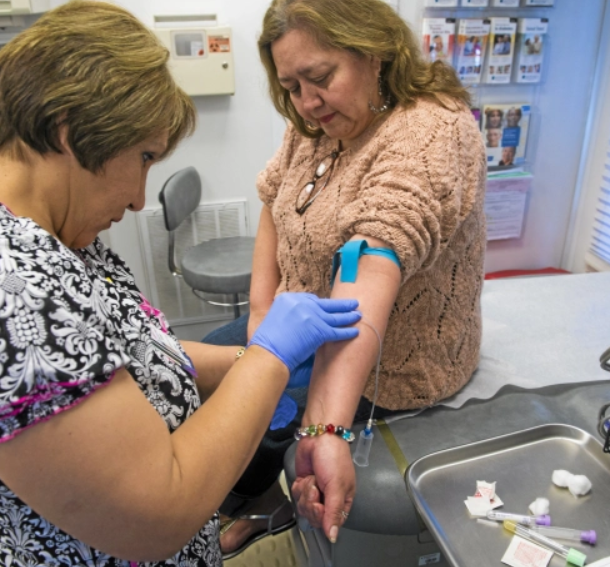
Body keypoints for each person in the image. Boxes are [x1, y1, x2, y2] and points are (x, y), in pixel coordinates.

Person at [0, 2, 364, 566]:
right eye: (142, 157)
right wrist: (267, 359)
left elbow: (119, 351)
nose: (140, 197)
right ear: (69, 129)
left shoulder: (26, 223)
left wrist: (241, 366)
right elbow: (157, 514)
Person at [205, 0, 486, 556]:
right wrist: (262, 318)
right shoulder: (313, 123)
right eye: (290, 86)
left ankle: (260, 497)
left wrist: (324, 430)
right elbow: (272, 202)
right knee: (207, 378)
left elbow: (374, 253)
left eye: (320, 77)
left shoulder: (431, 129)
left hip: (394, 359)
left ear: (375, 52)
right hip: (299, 320)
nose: (307, 102)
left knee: (258, 411)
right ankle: (258, 498)